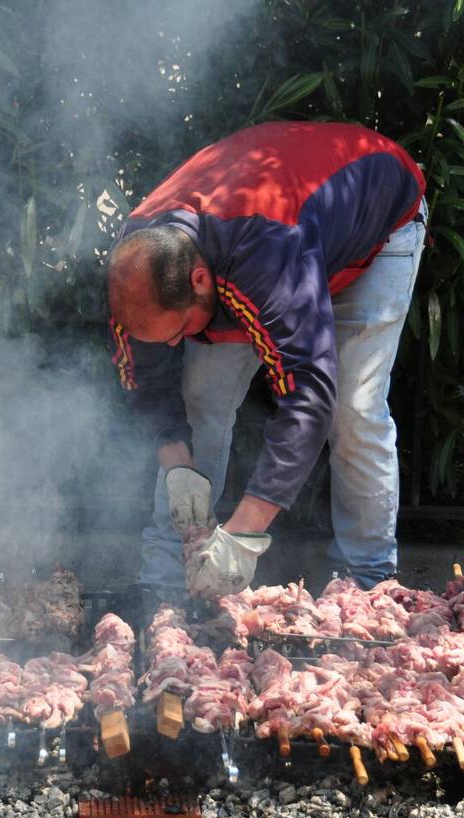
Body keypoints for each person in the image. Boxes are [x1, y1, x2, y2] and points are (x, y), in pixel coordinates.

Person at [107, 120, 426, 599]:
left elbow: (308, 395)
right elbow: (147, 372)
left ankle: (366, 581)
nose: (173, 345)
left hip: (377, 223)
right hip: (274, 236)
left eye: (178, 332)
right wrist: (175, 459)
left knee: (353, 408)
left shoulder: (267, 255)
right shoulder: (138, 266)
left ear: (199, 280)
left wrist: (243, 533)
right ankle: (168, 571)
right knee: (201, 398)